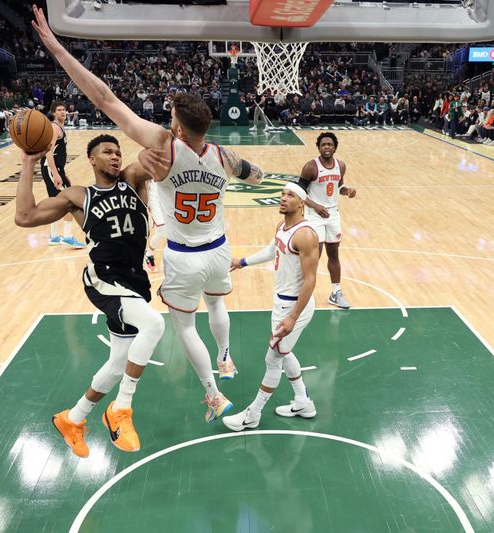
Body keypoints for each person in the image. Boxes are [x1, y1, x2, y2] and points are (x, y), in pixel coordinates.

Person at [32, 4, 265, 423]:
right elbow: (257, 174)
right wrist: (241, 169)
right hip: (218, 250)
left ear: (176, 128)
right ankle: (226, 358)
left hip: (183, 255)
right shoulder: (223, 155)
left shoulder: (162, 146)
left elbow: (104, 98)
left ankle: (212, 393)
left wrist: (57, 48)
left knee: (183, 327)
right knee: (216, 307)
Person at [15, 134, 165, 456]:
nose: (114, 157)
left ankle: (73, 418)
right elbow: (24, 217)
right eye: (106, 152)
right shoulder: (80, 196)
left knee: (117, 363)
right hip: (103, 278)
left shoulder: (132, 180)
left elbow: (151, 154)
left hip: (135, 281)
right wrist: (28, 163)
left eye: (117, 152)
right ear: (92, 160)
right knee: (153, 325)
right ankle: (121, 409)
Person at [223, 183, 320, 431]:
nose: (283, 198)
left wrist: (292, 317)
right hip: (281, 302)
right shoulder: (282, 227)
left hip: (295, 306)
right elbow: (271, 251)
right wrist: (242, 262)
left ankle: (252, 414)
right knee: (283, 353)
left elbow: (311, 280)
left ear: (302, 203)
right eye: (282, 194)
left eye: (290, 195)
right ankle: (303, 402)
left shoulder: (306, 235)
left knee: (273, 358)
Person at [298, 132, 356, 309]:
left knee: (334, 254)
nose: (327, 147)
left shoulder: (341, 165)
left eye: (330, 144)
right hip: (314, 215)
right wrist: (315, 206)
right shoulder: (310, 167)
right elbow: (298, 192)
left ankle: (336, 292)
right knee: (314, 256)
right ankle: (303, 293)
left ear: (335, 147)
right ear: (318, 147)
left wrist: (347, 191)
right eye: (323, 145)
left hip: (332, 215)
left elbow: (339, 186)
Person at [42, 100, 85, 248]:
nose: (62, 112)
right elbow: (48, 152)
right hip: (51, 168)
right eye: (59, 110)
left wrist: (63, 172)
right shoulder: (54, 128)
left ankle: (54, 236)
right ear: (53, 113)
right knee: (68, 201)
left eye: (64, 110)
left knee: (55, 202)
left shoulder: (59, 127)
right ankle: (67, 237)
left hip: (56, 168)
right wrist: (56, 174)